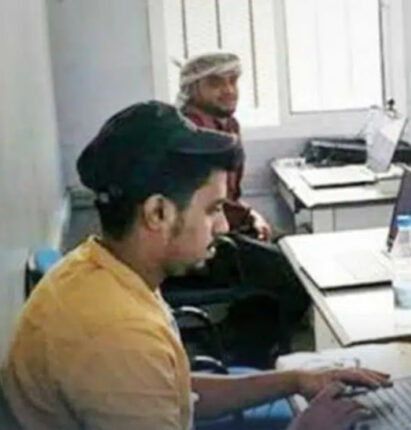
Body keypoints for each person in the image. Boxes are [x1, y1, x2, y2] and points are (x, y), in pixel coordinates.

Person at [0, 101, 389, 430]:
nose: (223, 227)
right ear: (158, 212)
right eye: (212, 209)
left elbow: (175, 392)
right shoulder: (116, 334)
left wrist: (296, 380)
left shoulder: (100, 268)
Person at [172, 52, 310, 338]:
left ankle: (247, 337)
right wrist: (244, 220)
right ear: (192, 87)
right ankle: (250, 347)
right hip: (205, 241)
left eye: (233, 81)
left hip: (229, 228)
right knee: (295, 273)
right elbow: (203, 205)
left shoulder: (228, 125)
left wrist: (251, 214)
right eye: (216, 83)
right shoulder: (191, 134)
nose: (229, 90)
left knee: (299, 251)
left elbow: (227, 195)